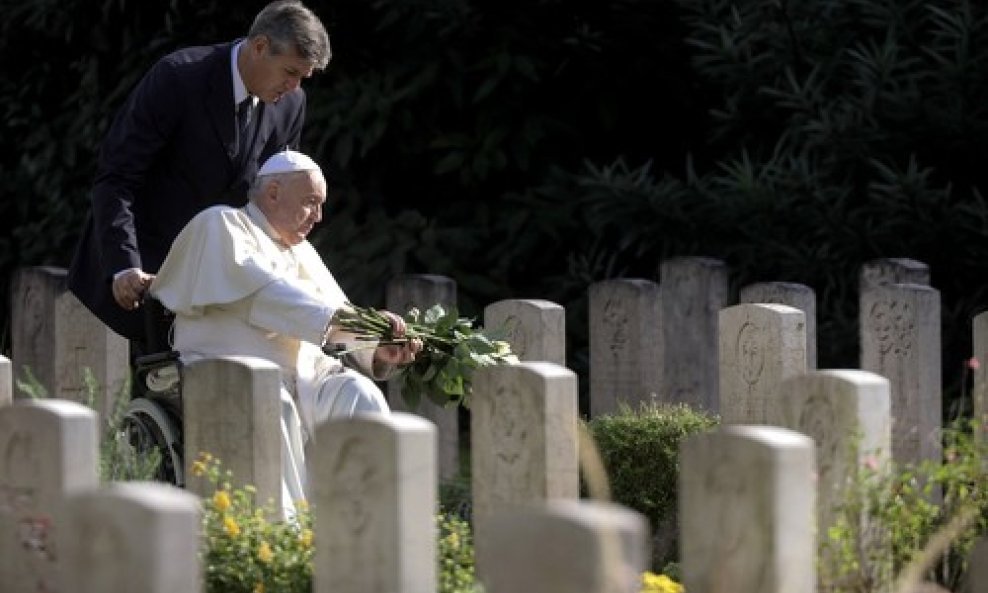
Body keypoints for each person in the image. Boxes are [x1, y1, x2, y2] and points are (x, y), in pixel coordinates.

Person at [149, 149, 421, 515]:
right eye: (311, 202)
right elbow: (268, 295)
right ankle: (286, 538)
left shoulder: (304, 252)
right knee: (271, 401)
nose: (318, 216)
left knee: (360, 394)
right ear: (273, 192)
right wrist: (352, 324)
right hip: (225, 372)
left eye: (321, 206)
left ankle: (366, 527)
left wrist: (374, 346)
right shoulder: (221, 225)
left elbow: (338, 313)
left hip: (305, 379)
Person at [68, 0, 331, 358]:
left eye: (302, 77)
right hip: (150, 272)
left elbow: (276, 198)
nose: (294, 86)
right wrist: (125, 265)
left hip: (226, 285)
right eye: (289, 72)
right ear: (259, 47)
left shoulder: (291, 104)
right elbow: (117, 177)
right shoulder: (178, 78)